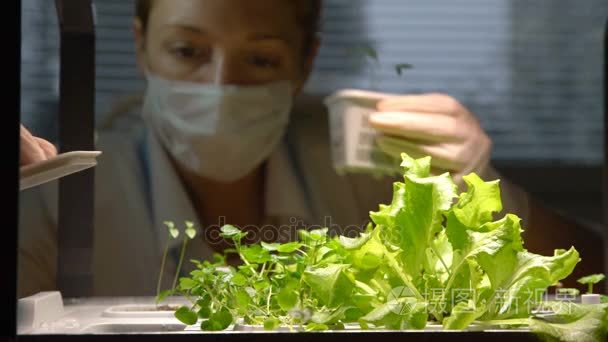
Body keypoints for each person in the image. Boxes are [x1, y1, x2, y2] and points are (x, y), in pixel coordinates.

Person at [18, 0, 604, 298]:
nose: (222, 87)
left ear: (305, 64)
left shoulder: (373, 168)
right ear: (143, 47)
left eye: (262, 58)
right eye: (187, 51)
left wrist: (486, 194)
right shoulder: (63, 195)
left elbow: (593, 279)